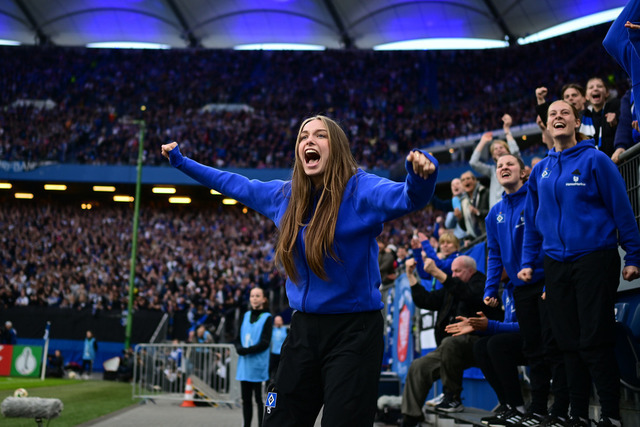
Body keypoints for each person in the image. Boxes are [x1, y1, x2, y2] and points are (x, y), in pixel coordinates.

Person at [162, 114, 438, 427]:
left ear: (337, 147)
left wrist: (421, 177)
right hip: (304, 329)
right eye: (304, 136)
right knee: (278, 420)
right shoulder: (285, 196)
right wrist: (182, 162)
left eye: (320, 135)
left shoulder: (361, 189)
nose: (309, 140)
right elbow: (233, 183)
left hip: (354, 332)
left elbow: (407, 197)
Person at [518, 100, 640, 427]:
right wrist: (528, 261)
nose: (558, 117)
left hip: (595, 258)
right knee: (567, 343)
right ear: (546, 126)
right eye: (552, 114)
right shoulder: (540, 171)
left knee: (595, 340)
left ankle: (611, 415)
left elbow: (622, 209)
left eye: (565, 113)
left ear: (576, 122)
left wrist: (633, 255)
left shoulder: (595, 159)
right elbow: (532, 224)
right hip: (555, 264)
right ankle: (578, 414)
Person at [481, 154, 569, 426]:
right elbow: (494, 254)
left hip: (545, 283)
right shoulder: (494, 213)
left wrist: (551, 280)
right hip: (520, 289)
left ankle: (562, 410)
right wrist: (491, 288)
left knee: (553, 346)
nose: (503, 168)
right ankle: (538, 409)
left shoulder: (536, 198)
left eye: (510, 164)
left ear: (523, 172)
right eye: (499, 166)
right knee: (533, 351)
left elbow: (550, 236)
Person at [399, 255, 493, 426]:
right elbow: (426, 300)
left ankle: (452, 397)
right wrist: (410, 276)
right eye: (452, 272)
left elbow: (469, 294)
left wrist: (436, 272)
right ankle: (410, 418)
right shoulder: (451, 288)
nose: (453, 275)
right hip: (450, 347)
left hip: (480, 342)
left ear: (470, 271)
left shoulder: (481, 282)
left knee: (450, 342)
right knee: (418, 366)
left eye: (458, 271)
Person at [235, 287, 272, 427]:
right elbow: (237, 338)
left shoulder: (267, 317)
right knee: (246, 400)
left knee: (259, 400)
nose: (254, 298)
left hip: (258, 366)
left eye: (257, 296)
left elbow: (265, 342)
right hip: (244, 366)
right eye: (252, 296)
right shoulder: (245, 315)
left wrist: (247, 350)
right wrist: (238, 348)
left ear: (264, 299)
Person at [469, 114, 521, 208]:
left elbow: (515, 152)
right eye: (495, 149)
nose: (498, 150)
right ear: (493, 156)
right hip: (496, 210)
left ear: (508, 151)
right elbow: (473, 162)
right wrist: (483, 141)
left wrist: (507, 130)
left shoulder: (515, 165)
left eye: (501, 147)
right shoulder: (492, 170)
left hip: (513, 206)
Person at [457, 171, 489, 240]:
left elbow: (494, 213)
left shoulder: (485, 192)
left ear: (475, 180)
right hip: (475, 240)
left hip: (488, 236)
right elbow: (465, 228)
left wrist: (478, 212)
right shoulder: (463, 201)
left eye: (468, 178)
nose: (466, 181)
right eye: (463, 180)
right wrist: (460, 218)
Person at [269, 315, 287, 387]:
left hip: (282, 354)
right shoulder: (272, 330)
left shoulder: (286, 330)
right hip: (273, 354)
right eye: (276, 321)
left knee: (281, 371)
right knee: (271, 370)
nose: (278, 322)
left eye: (279, 320)